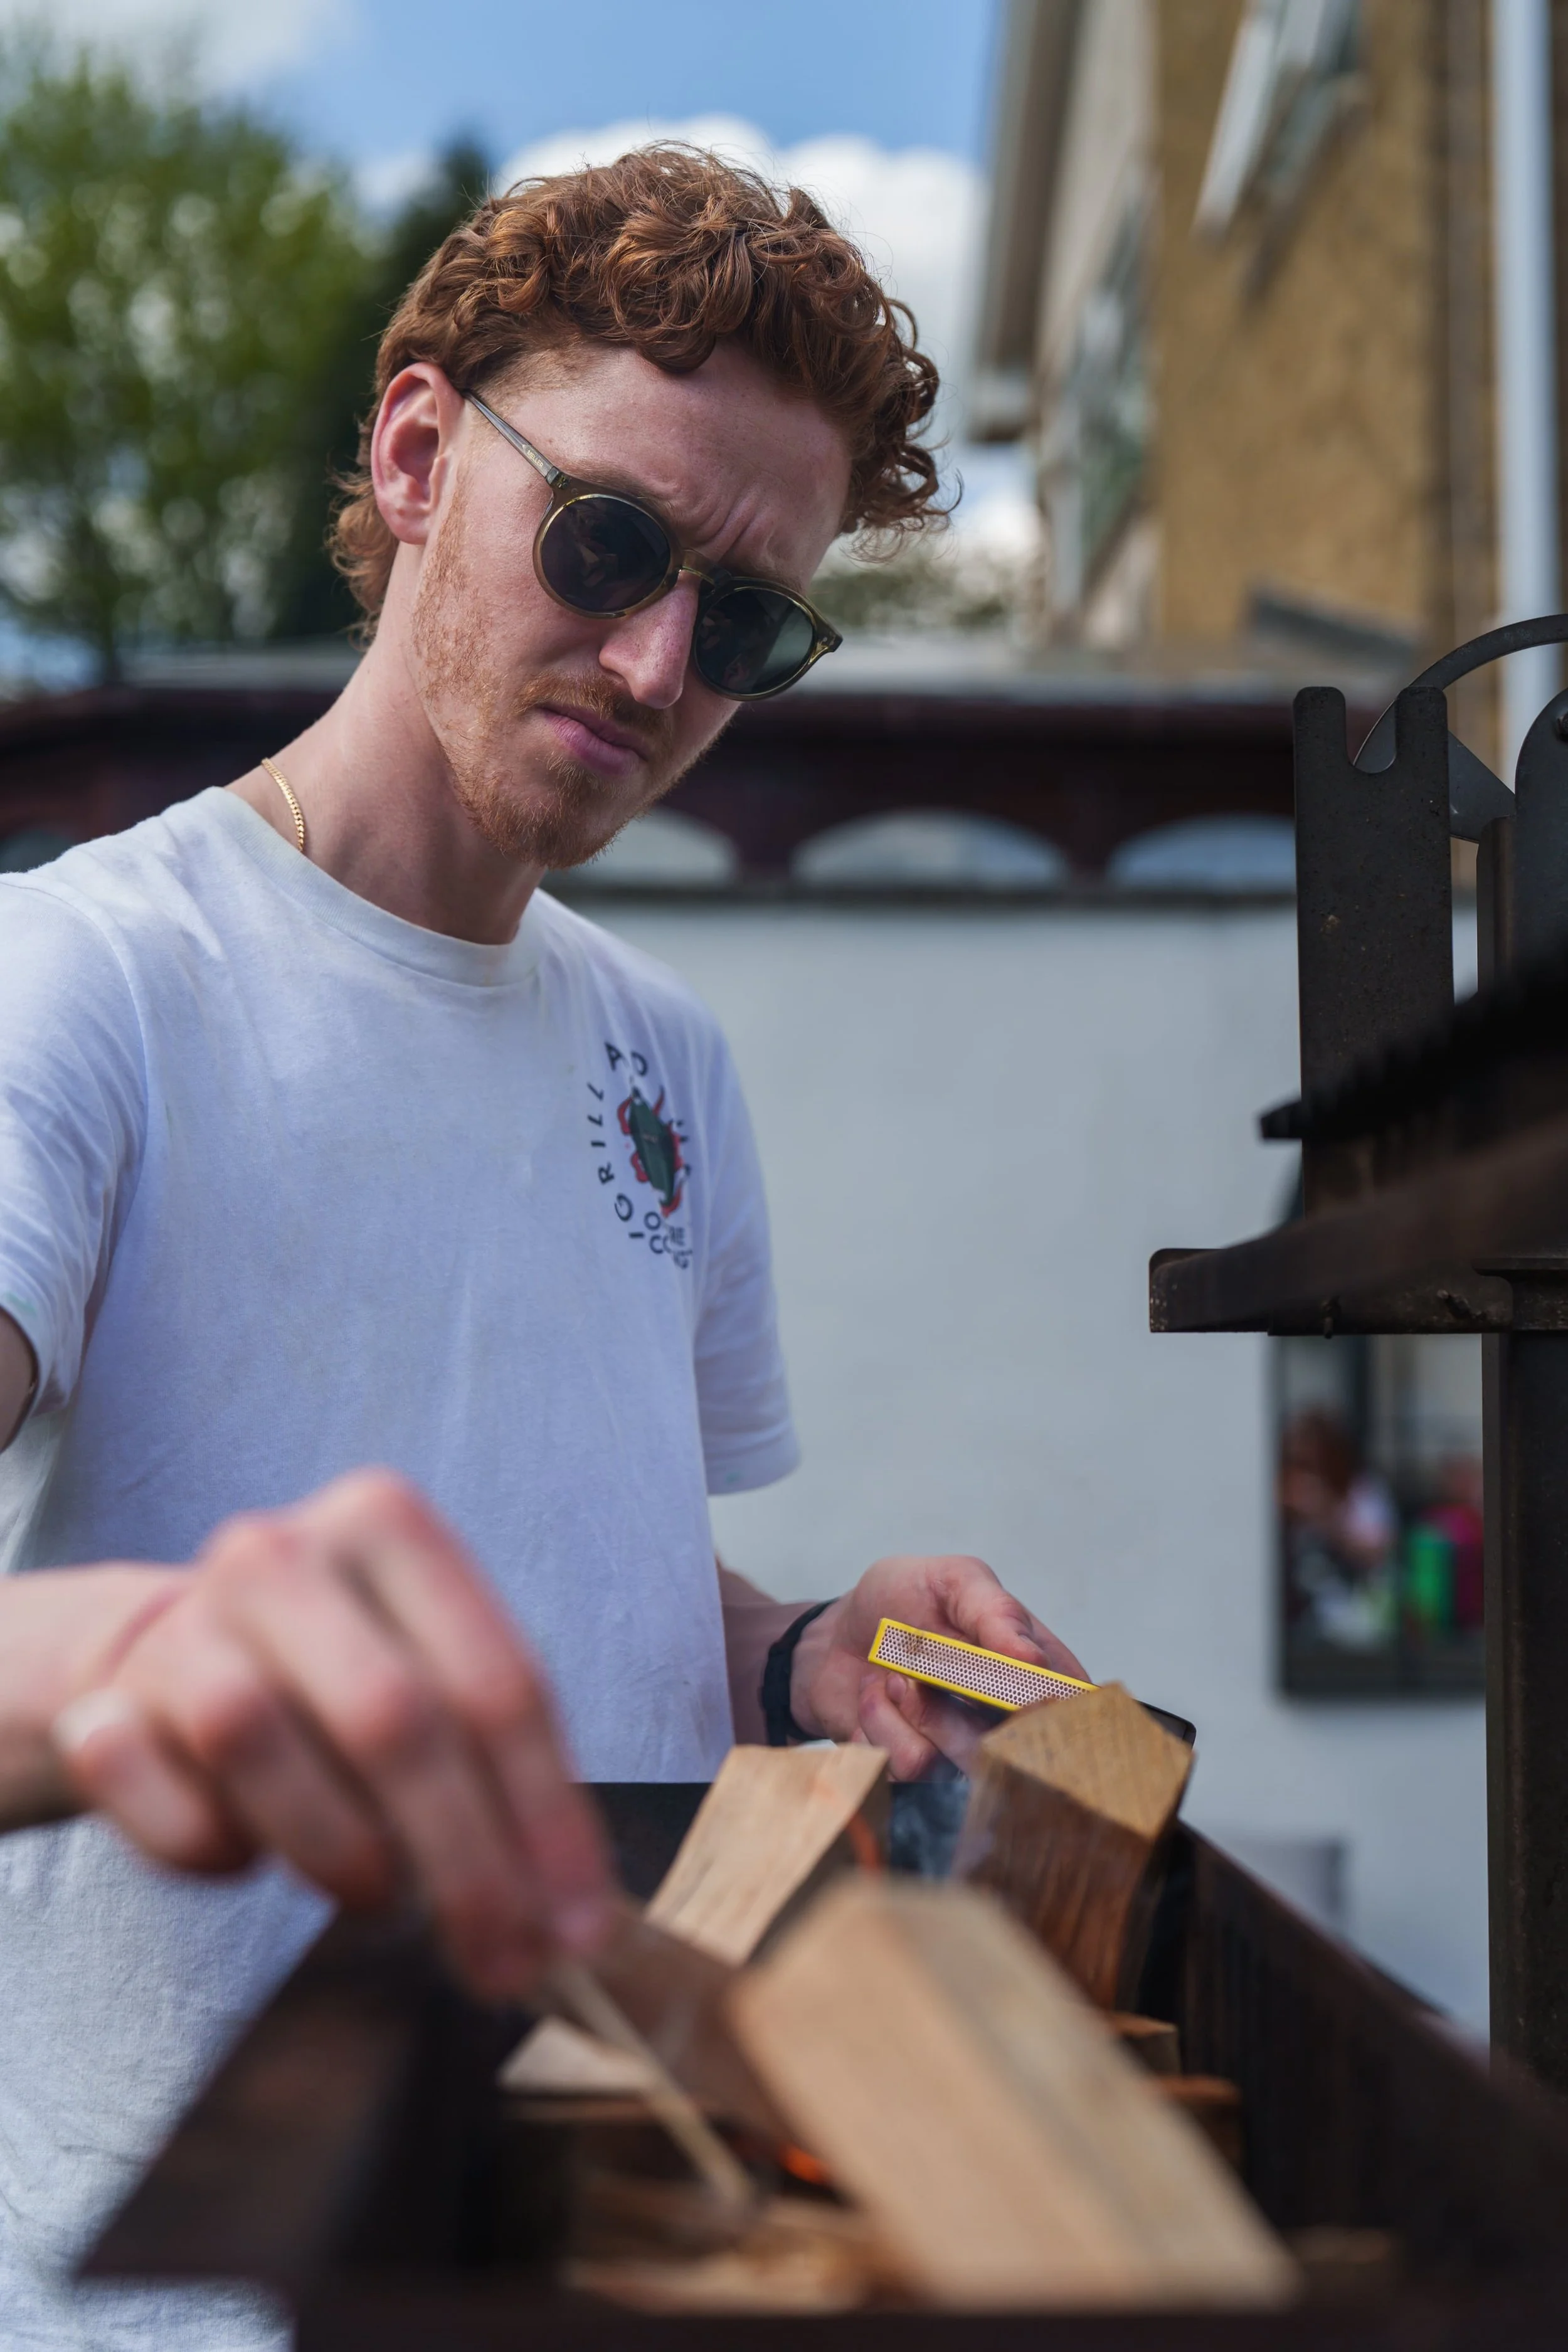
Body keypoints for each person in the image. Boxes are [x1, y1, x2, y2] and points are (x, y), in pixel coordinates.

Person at [0, 147, 1086, 2349]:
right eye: (610, 539)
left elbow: (579, 1552)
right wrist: (140, 1661)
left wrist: (795, 1653)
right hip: (200, 2295)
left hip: (621, 2239)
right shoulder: (84, 982)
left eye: (751, 618)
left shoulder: (662, 1057)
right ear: (417, 454)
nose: (663, 658)